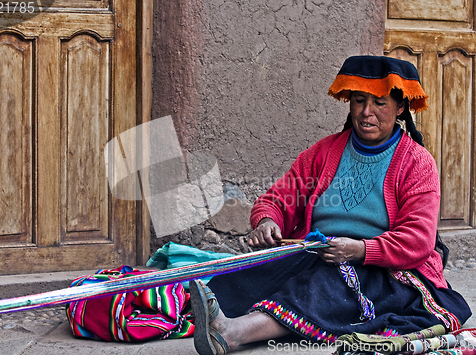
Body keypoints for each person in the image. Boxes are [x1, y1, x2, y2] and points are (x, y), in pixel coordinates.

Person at [189, 55, 472, 355]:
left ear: (400, 107)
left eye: (380, 103)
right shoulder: (324, 152)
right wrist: (267, 221)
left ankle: (233, 334)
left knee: (323, 289)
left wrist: (360, 250)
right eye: (359, 100)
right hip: (317, 252)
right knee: (242, 280)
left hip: (382, 269)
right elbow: (281, 197)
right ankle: (222, 319)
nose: (367, 112)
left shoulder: (417, 163)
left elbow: (418, 240)